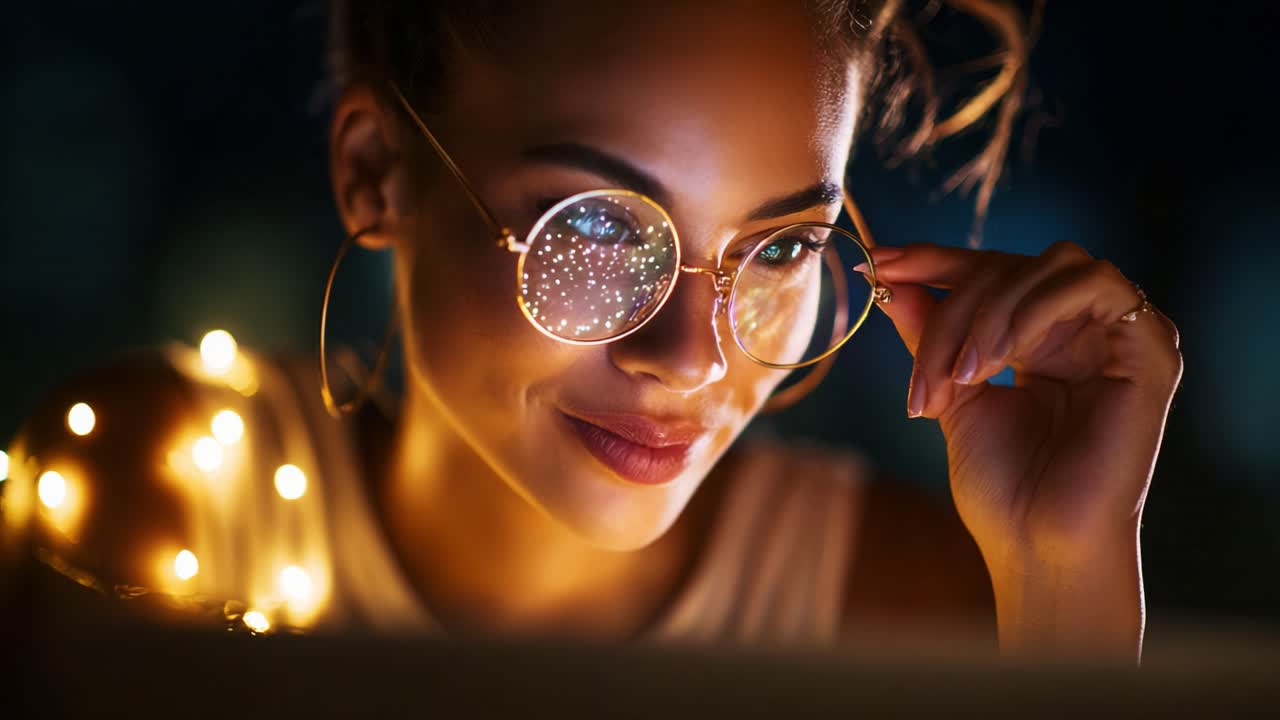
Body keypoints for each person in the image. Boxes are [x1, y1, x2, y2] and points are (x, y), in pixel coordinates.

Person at [1, 0, 1182, 661]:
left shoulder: (899, 612)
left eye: (779, 247)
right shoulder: (150, 498)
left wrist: (1063, 579)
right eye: (600, 233)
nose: (689, 357)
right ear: (377, 172)